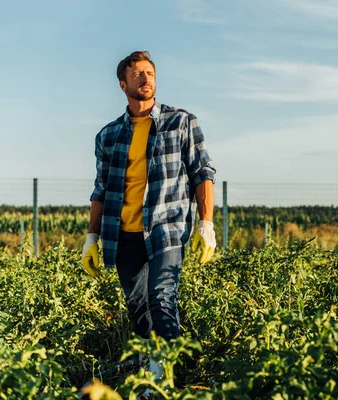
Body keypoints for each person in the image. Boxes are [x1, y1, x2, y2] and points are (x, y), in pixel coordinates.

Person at [81, 51, 216, 394]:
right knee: (138, 305)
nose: (145, 78)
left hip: (166, 230)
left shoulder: (181, 122)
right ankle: (154, 359)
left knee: (161, 296)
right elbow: (100, 189)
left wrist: (206, 224)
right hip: (122, 234)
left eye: (150, 72)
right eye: (137, 73)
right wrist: (91, 238)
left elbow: (202, 172)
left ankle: (160, 380)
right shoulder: (108, 135)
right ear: (123, 84)